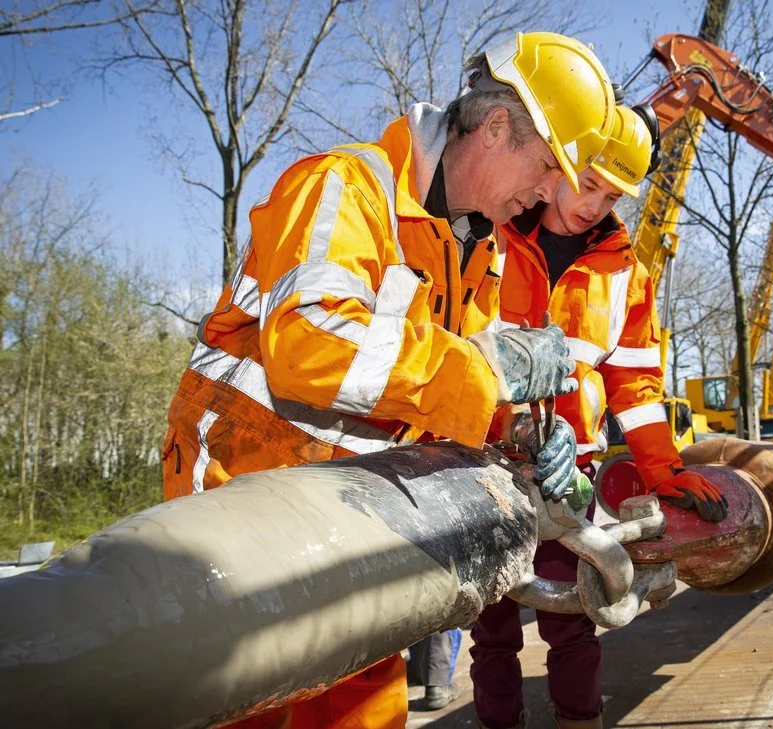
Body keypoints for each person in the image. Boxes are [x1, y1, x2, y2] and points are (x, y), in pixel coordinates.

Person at [160, 31, 617, 729]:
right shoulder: (343, 186)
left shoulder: (475, 251)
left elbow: (448, 390)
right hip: (243, 512)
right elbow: (308, 339)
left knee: (367, 714)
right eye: (550, 167)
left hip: (356, 521)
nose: (548, 194)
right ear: (497, 127)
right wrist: (489, 369)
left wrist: (521, 432)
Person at [468, 104, 729, 729]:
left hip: (569, 476)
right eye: (589, 184)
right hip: (479, 467)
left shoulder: (624, 273)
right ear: (556, 160)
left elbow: (635, 383)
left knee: (576, 618)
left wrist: (663, 471)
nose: (595, 205)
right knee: (491, 626)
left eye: (613, 194)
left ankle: (580, 721)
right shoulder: (489, 235)